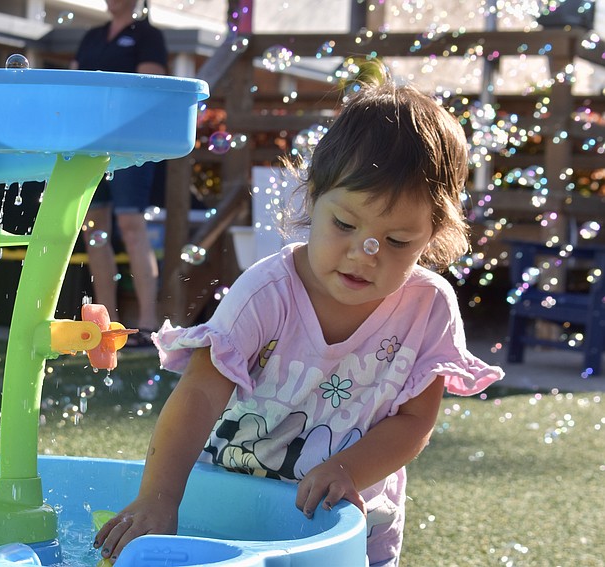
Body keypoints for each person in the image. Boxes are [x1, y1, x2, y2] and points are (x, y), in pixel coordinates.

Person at [93, 74, 505, 566]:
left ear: (433, 235)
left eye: (396, 241)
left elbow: (416, 420)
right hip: (234, 515)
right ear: (312, 199)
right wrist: (160, 498)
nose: (363, 254)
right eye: (345, 225)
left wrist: (349, 468)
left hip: (350, 530)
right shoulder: (269, 291)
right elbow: (201, 392)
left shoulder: (428, 308)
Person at [71, 0, 168, 344]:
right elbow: (76, 86)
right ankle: (106, 322)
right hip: (93, 143)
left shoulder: (147, 35)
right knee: (94, 229)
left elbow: (148, 85)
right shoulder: (92, 36)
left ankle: (146, 323)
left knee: (131, 224)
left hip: (130, 143)